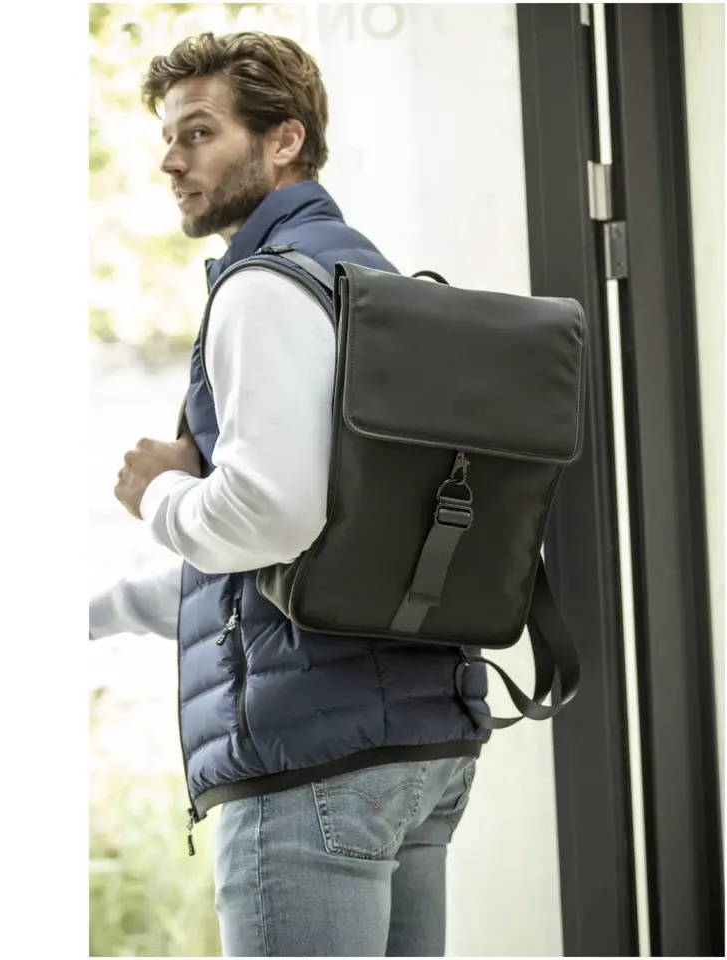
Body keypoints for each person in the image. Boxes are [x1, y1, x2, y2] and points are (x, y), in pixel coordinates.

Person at [89, 30, 490, 958]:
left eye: (199, 132)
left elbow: (269, 517)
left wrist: (159, 494)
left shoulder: (263, 287)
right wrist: (97, 612)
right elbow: (297, 563)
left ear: (283, 140)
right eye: (167, 137)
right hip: (418, 741)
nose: (170, 160)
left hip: (312, 764)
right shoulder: (367, 276)